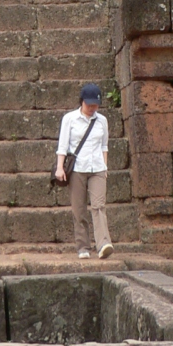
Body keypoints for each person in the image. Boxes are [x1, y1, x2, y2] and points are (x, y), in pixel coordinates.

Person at [54, 83, 113, 259]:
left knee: (99, 206)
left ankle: (103, 244)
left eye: (95, 105)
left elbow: (104, 146)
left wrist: (105, 166)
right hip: (77, 168)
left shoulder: (102, 120)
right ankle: (83, 247)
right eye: (89, 105)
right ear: (82, 102)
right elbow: (63, 146)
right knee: (78, 209)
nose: (92, 108)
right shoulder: (70, 119)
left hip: (98, 168)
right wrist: (59, 167)